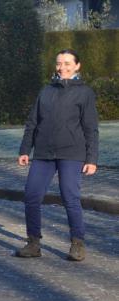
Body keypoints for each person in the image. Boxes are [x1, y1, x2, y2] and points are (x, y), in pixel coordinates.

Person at [15, 49, 99, 262]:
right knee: (32, 195)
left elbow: (91, 128)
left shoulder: (85, 93)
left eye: (68, 63)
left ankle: (77, 243)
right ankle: (33, 242)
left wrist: (91, 159)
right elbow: (32, 122)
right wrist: (25, 150)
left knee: (70, 197)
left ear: (77, 66)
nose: (62, 67)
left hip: (71, 153)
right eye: (59, 63)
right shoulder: (46, 91)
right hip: (43, 153)